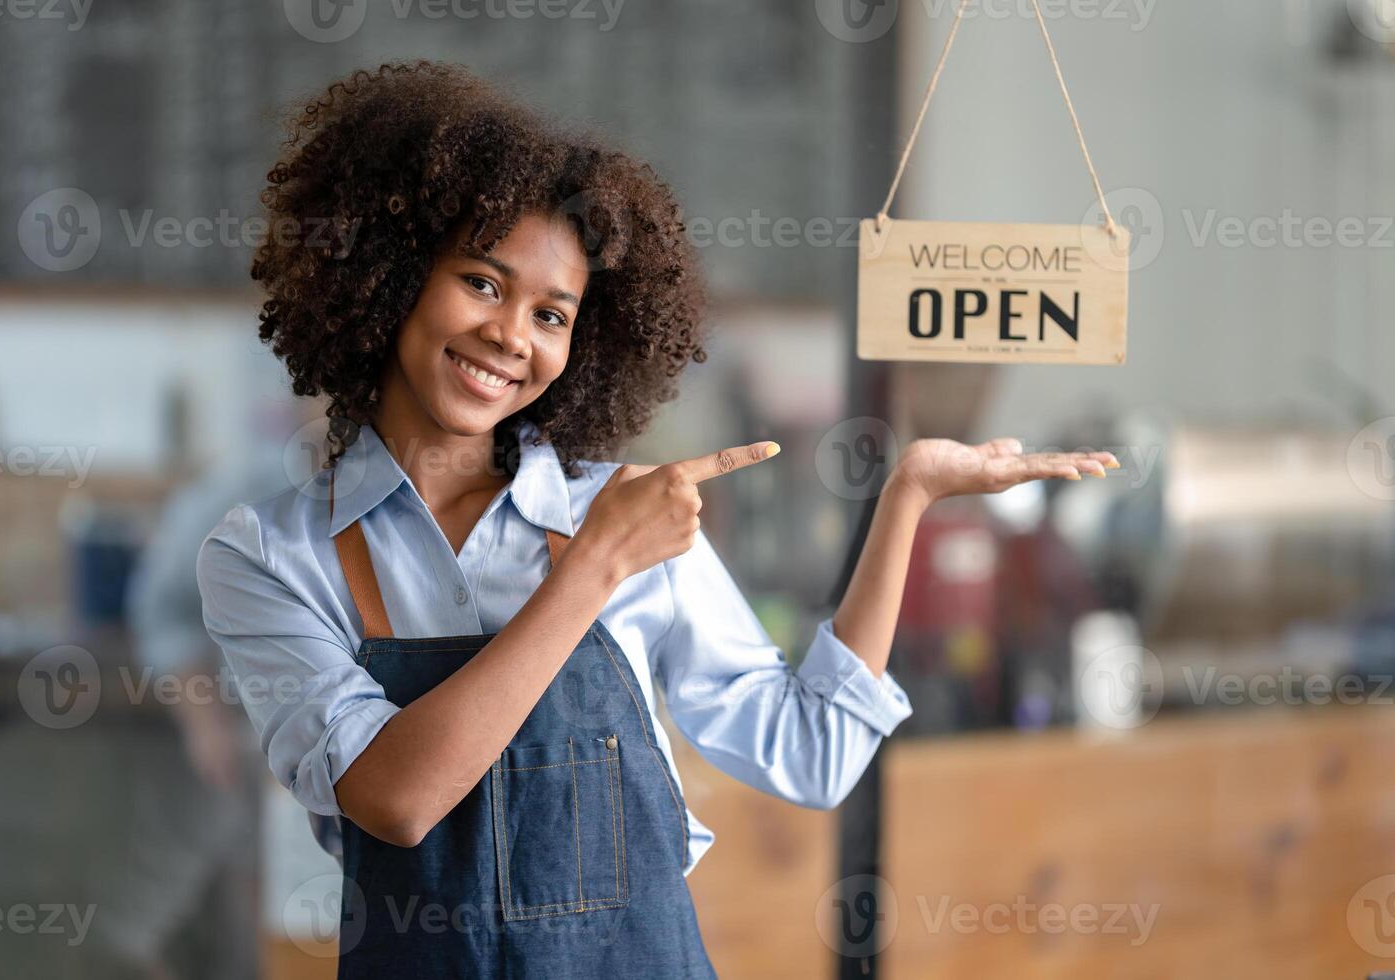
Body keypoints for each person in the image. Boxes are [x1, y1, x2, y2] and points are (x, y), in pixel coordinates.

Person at [194, 60, 1117, 979]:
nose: (513, 335)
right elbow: (396, 798)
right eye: (482, 282)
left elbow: (813, 755)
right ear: (390, 277)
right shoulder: (270, 554)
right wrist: (592, 570)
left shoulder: (625, 514)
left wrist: (907, 495)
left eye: (552, 314)